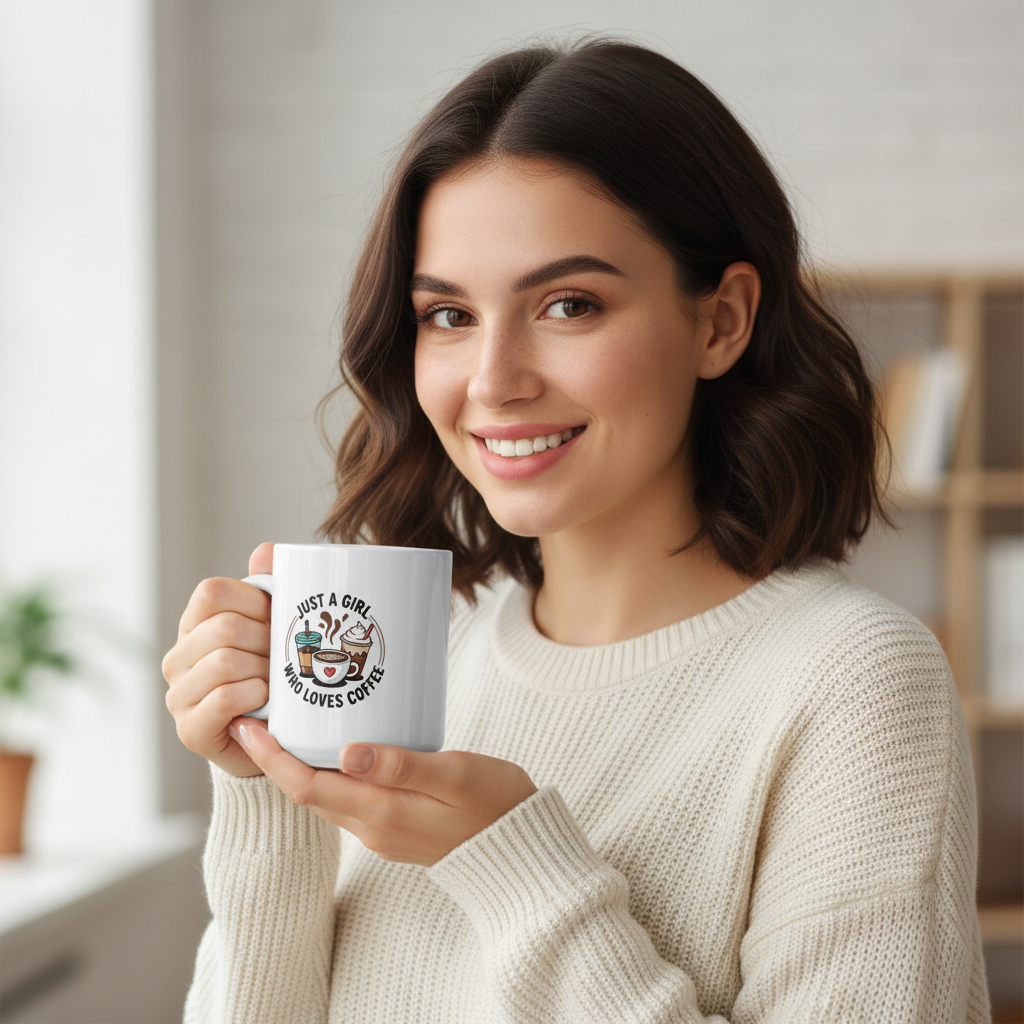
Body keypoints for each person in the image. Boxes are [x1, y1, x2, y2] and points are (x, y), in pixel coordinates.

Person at [163, 39, 990, 1023]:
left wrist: (515, 860)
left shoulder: (854, 682)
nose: (493, 379)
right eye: (447, 315)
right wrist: (263, 781)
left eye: (568, 304)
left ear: (720, 319)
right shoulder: (428, 660)